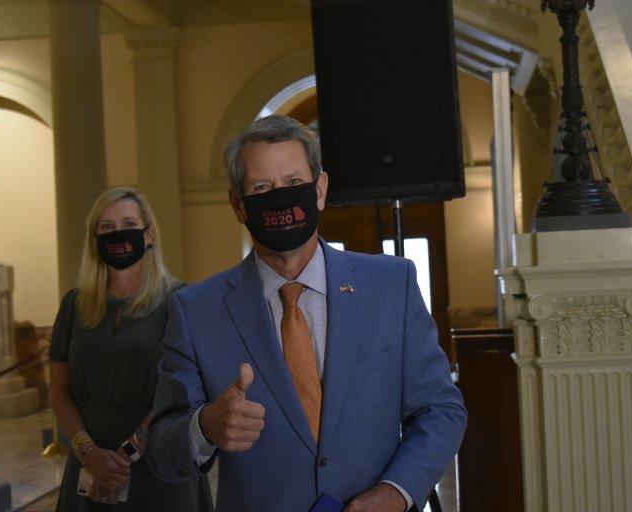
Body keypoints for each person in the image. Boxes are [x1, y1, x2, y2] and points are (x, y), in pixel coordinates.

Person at [147, 115, 466, 512]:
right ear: (237, 205)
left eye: (294, 184)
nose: (280, 198)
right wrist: (204, 427)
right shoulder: (196, 311)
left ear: (319, 190)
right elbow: (161, 448)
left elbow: (440, 410)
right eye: (262, 188)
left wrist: (396, 492)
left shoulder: (390, 285)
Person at [49, 186, 214, 511]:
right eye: (106, 227)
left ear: (149, 234)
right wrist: (90, 454)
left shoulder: (179, 301)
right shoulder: (74, 305)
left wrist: (127, 453)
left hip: (159, 455)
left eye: (128, 224)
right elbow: (59, 393)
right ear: (94, 240)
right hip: (89, 461)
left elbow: (186, 389)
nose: (118, 234)